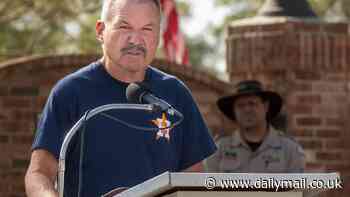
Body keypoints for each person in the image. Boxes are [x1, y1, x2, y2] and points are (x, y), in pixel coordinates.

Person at [24, 0, 217, 196]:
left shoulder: (175, 93)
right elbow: (39, 173)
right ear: (100, 30)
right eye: (124, 27)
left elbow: (195, 180)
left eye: (147, 29)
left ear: (158, 35)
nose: (135, 40)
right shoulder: (70, 92)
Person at [206, 80, 305, 173]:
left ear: (266, 107)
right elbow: (209, 189)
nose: (247, 110)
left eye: (252, 104)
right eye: (240, 105)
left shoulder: (289, 149)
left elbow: (297, 190)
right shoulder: (219, 149)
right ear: (234, 111)